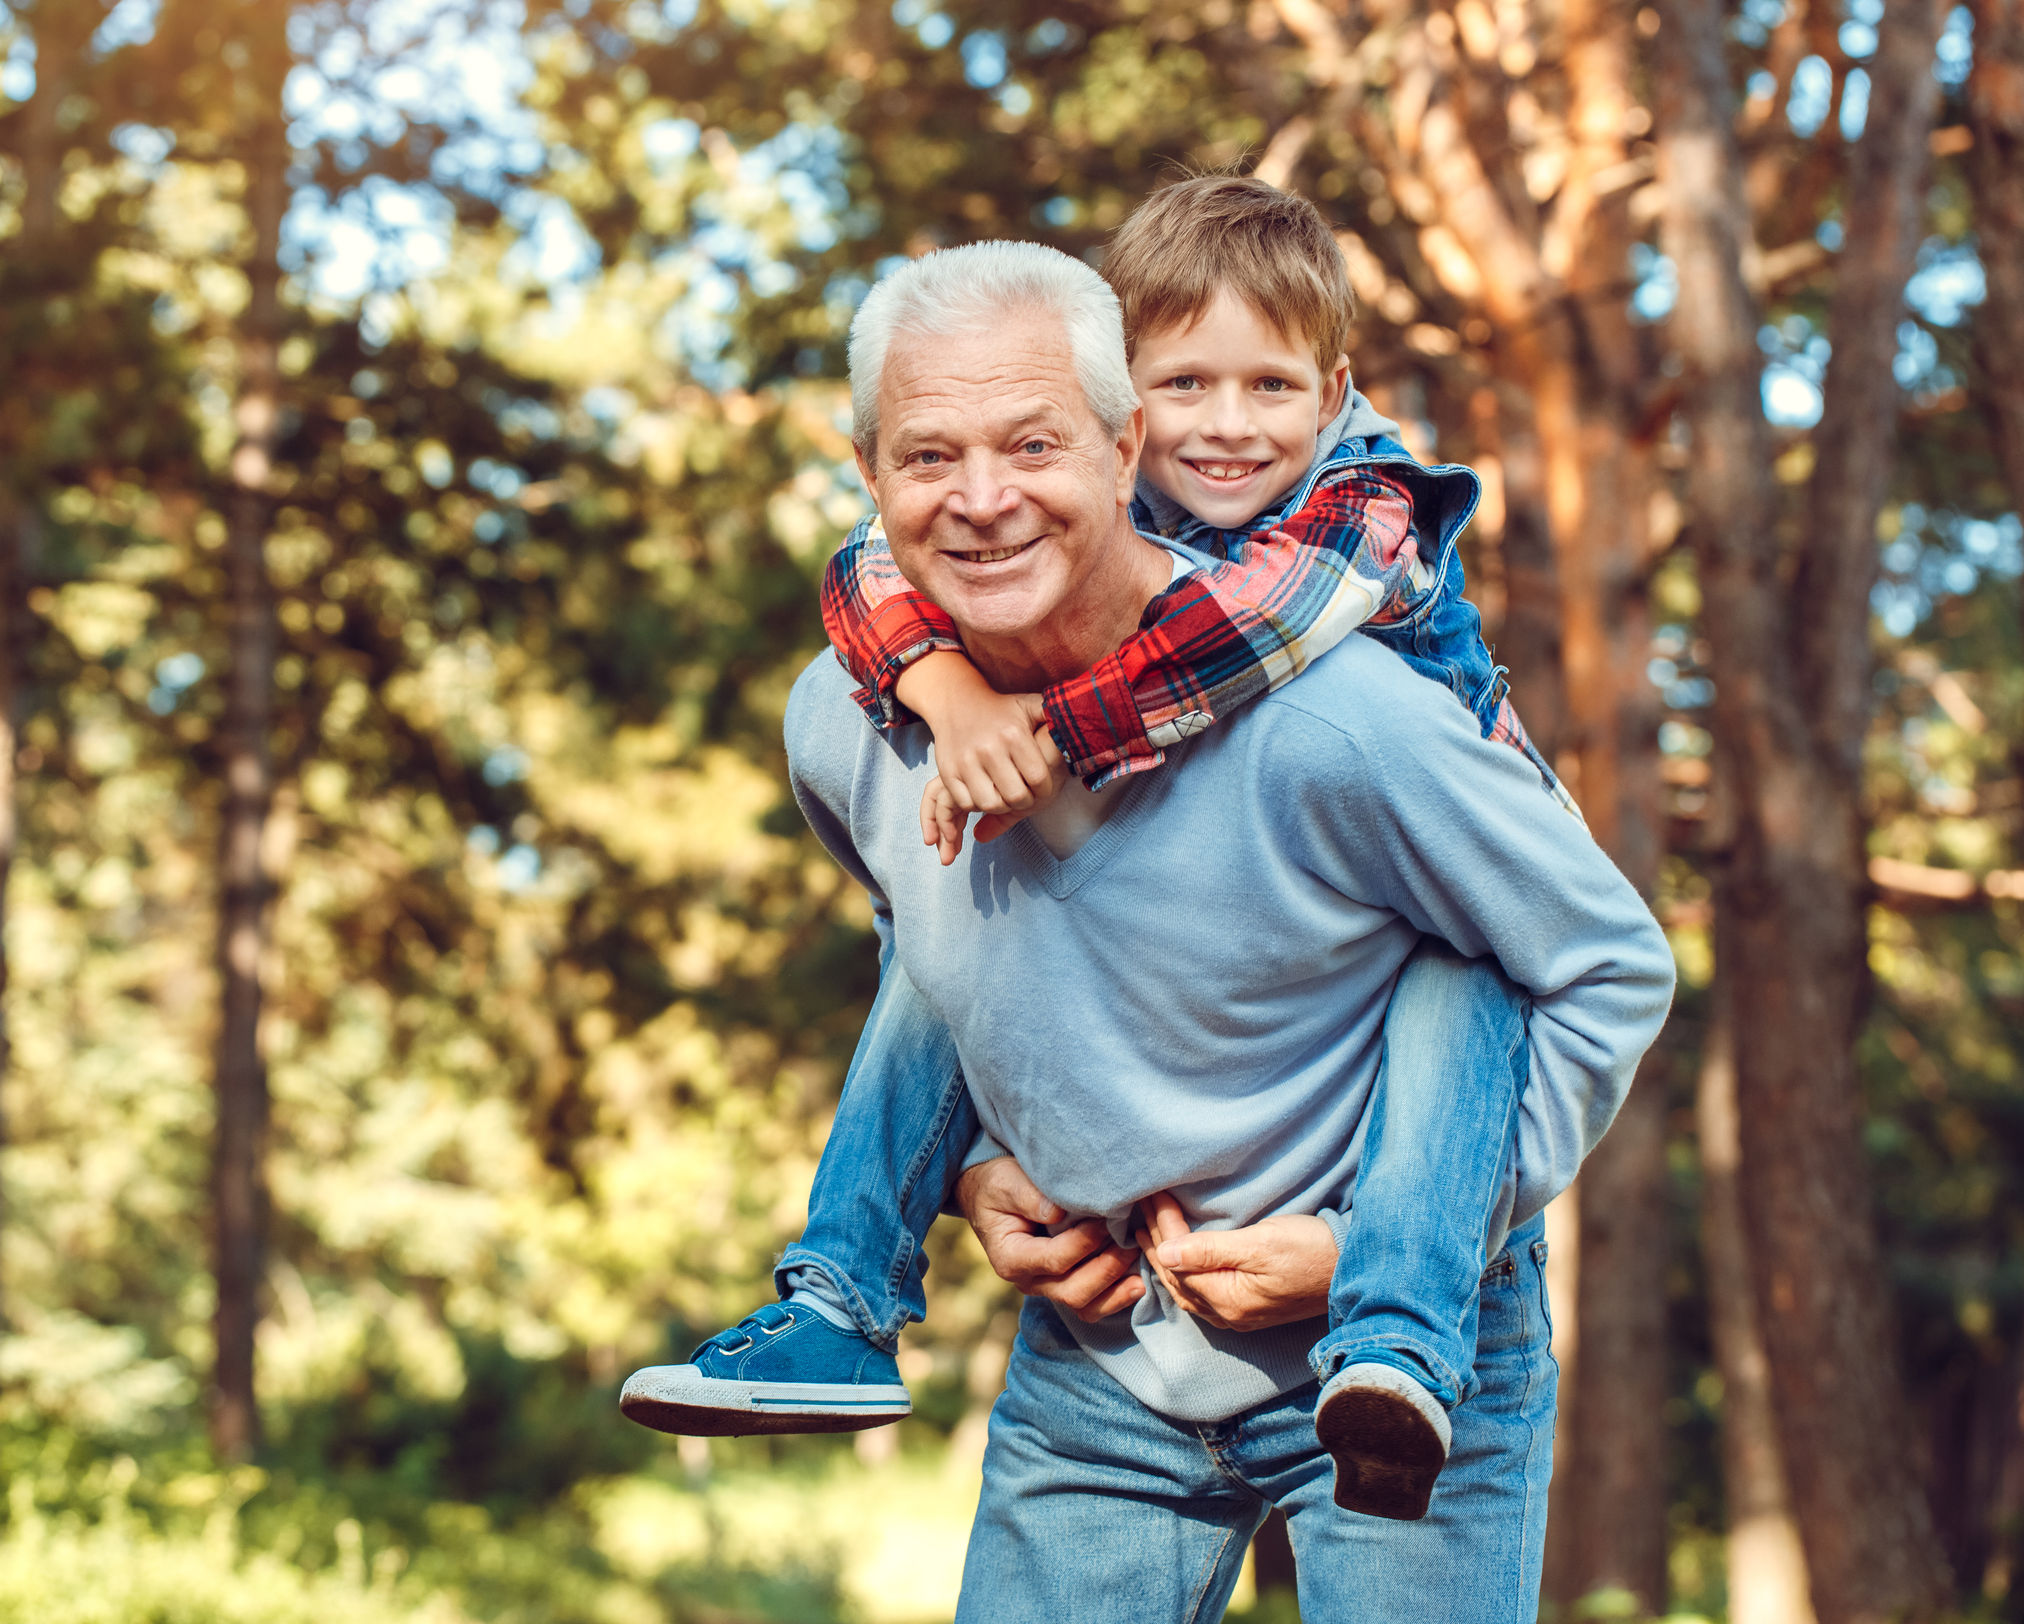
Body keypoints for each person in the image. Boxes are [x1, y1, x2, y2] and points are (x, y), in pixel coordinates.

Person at [644, 240, 1671, 1617]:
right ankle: (836, 1311)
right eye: (930, 457)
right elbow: (934, 951)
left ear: (1125, 445)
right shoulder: (846, 725)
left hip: (1400, 1354)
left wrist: (1386, 1240)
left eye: (1031, 443)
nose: (984, 499)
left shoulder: (1339, 719)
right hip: (1104, 1352)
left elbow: (1605, 967)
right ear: (869, 476)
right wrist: (972, 1168)